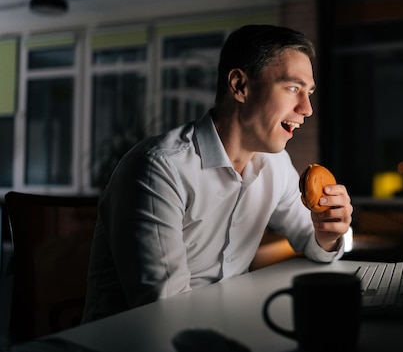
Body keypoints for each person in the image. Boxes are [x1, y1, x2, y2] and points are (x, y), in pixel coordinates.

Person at [81, 24, 353, 323]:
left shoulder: (276, 164)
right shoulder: (159, 168)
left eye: (309, 92)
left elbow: (318, 247)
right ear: (240, 86)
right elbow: (165, 313)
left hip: (223, 326)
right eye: (292, 88)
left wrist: (328, 233)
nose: (307, 109)